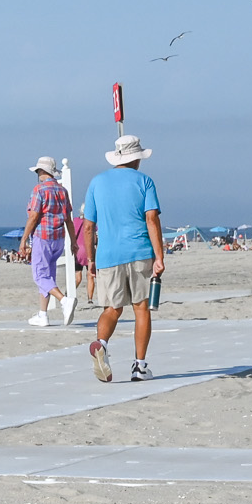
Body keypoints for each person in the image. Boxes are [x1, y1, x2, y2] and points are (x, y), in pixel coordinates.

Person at [79, 134, 165, 382]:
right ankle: (139, 366)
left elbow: (88, 227)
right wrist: (159, 256)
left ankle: (102, 344)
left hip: (108, 255)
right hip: (139, 251)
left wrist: (91, 259)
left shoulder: (97, 182)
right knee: (141, 309)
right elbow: (152, 219)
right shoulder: (145, 181)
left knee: (112, 309)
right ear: (137, 158)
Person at [17, 156, 81, 327]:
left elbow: (34, 216)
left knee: (40, 275)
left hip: (42, 237)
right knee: (48, 275)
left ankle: (63, 300)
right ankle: (43, 314)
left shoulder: (39, 190)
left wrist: (24, 239)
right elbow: (68, 219)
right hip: (59, 238)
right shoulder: (62, 190)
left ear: (41, 171)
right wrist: (74, 241)